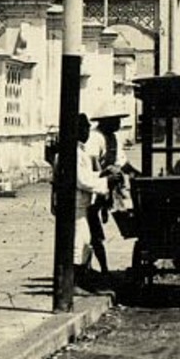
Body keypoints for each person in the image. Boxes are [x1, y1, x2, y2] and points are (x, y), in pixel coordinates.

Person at [69, 114, 112, 282]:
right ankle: (74, 281)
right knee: (79, 243)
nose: (88, 132)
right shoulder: (75, 153)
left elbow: (87, 175)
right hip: (76, 203)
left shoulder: (80, 151)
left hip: (82, 203)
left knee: (85, 240)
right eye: (85, 128)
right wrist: (105, 182)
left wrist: (101, 175)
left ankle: (82, 276)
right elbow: (82, 180)